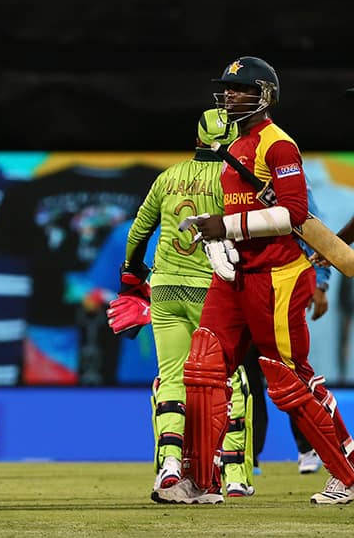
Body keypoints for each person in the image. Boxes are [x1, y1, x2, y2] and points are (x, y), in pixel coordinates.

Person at [155, 56, 354, 505]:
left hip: (279, 277)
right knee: (202, 369)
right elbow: (241, 213)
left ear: (264, 95)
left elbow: (293, 214)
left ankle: (348, 473)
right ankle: (200, 483)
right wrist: (220, 241)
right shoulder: (234, 149)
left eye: (240, 89)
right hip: (237, 275)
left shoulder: (278, 145)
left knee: (288, 378)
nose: (229, 95)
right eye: (226, 89)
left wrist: (228, 229)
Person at [108, 109, 254, 503]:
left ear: (197, 139)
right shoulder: (236, 178)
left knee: (171, 380)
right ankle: (231, 470)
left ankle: (170, 466)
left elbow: (139, 231)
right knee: (227, 380)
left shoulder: (168, 177)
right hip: (214, 291)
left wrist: (132, 279)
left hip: (167, 289)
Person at [243, 181, 332, 477]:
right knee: (249, 378)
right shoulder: (231, 182)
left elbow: (314, 230)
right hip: (247, 288)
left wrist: (319, 284)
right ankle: (248, 456)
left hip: (284, 288)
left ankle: (308, 447)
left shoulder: (290, 184)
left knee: (289, 370)